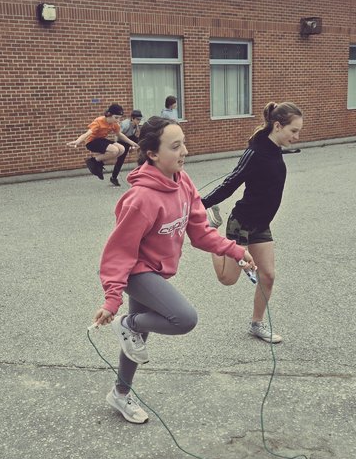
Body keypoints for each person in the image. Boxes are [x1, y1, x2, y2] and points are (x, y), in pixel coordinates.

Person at [91, 117, 255, 424]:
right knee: (183, 318)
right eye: (175, 146)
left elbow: (200, 232)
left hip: (155, 271)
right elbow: (118, 252)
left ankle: (120, 394)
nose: (184, 152)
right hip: (137, 271)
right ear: (152, 153)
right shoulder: (141, 199)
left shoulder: (183, 182)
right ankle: (128, 323)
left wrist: (236, 251)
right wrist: (112, 301)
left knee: (137, 338)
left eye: (184, 144)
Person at [199, 102, 304, 345]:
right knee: (228, 279)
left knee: (267, 275)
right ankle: (213, 239)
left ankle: (256, 324)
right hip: (242, 223)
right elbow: (231, 183)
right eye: (293, 131)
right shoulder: (256, 152)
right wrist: (201, 204)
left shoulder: (275, 147)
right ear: (278, 126)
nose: (297, 137)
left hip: (261, 225)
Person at [68, 103, 132, 187]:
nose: (118, 120)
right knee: (115, 150)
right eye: (116, 118)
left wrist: (133, 143)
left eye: (119, 118)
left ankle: (98, 163)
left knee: (122, 149)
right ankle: (93, 161)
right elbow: (87, 133)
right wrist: (78, 141)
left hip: (101, 140)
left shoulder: (114, 124)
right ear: (109, 114)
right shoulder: (99, 121)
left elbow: (120, 135)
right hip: (91, 142)